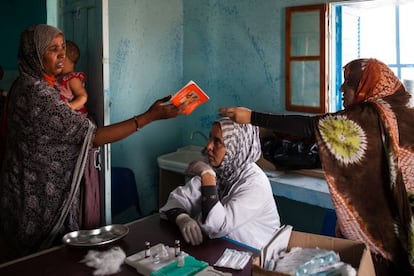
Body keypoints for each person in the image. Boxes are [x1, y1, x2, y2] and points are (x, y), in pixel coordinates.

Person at [0, 24, 180, 262]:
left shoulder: (30, 84)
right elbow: (92, 136)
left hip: (21, 186)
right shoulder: (37, 93)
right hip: (37, 195)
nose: (62, 54)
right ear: (34, 54)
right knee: (40, 263)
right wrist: (149, 117)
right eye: (53, 49)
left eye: (63, 47)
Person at [218, 58, 414, 275]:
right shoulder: (403, 110)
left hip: (395, 220)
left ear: (365, 86)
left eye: (348, 82)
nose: (341, 88)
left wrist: (252, 117)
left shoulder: (371, 114)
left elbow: (311, 126)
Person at [159, 117, 280, 249]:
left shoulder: (255, 184)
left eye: (217, 142)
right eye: (210, 138)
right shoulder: (222, 169)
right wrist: (182, 218)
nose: (208, 146)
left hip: (253, 253)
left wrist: (208, 176)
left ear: (236, 147)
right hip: (222, 247)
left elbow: (217, 226)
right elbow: (178, 199)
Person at [56, 40, 88, 114]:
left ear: (64, 59)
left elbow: (83, 97)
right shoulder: (57, 77)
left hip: (75, 115)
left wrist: (70, 106)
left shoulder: (73, 79)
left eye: (58, 57)